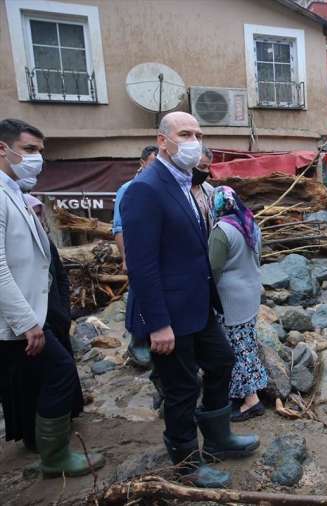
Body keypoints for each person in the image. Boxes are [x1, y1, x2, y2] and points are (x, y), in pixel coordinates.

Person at [121, 111, 258, 489]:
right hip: (169, 314)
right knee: (181, 390)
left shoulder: (186, 182)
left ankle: (218, 436)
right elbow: (143, 266)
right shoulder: (145, 189)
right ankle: (187, 464)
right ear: (162, 140)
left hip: (199, 306)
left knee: (222, 361)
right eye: (185, 133)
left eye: (198, 133)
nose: (194, 140)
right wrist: (158, 323)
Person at [0, 118, 104, 477]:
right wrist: (27, 321)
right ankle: (54, 457)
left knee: (45, 378)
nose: (37, 159)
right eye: (29, 150)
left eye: (40, 152)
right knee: (60, 374)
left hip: (36, 310)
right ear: (3, 148)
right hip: (20, 317)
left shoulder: (14, 192)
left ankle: (45, 448)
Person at [209, 186, 268, 422]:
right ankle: (248, 390)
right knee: (247, 344)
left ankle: (251, 400)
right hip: (251, 294)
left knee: (237, 349)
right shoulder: (251, 224)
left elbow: (213, 268)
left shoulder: (221, 230)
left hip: (230, 300)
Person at [113, 145, 158, 368]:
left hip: (158, 255)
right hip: (137, 255)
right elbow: (119, 228)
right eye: (152, 162)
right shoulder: (128, 189)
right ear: (142, 163)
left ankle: (153, 338)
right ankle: (138, 341)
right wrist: (125, 258)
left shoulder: (161, 188)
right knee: (139, 297)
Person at [191, 146, 215, 235]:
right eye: (202, 166)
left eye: (208, 167)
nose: (206, 171)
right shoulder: (177, 190)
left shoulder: (209, 190)